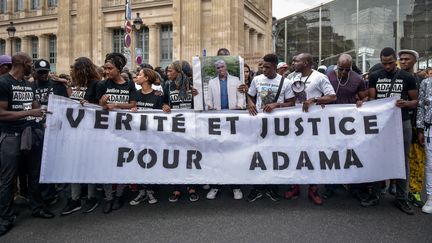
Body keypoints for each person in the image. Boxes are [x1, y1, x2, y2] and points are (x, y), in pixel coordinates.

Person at [0, 53, 55, 236]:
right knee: (8, 179)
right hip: (10, 136)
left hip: (29, 134)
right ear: (23, 64)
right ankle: (6, 218)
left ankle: (37, 207)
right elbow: (2, 113)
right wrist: (31, 111)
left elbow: (34, 105)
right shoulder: (4, 83)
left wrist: (39, 112)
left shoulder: (28, 84)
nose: (33, 66)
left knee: (34, 174)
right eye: (31, 63)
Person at [365, 47, 417, 215]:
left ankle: (402, 198)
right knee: (377, 157)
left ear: (395, 60)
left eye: (390, 63)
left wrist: (406, 104)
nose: (387, 67)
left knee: (402, 160)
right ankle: (375, 194)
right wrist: (365, 102)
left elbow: (416, 101)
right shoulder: (374, 76)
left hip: (402, 122)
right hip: (380, 124)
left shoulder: (407, 77)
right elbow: (373, 99)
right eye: (384, 63)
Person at [284, 53, 336, 206]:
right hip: (294, 123)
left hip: (313, 124)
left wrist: (314, 99)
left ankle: (313, 189)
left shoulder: (319, 77)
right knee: (294, 155)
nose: (293, 62)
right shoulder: (291, 77)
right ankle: (295, 186)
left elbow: (332, 96)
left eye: (296, 60)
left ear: (306, 62)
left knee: (312, 155)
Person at [246, 53, 296, 202]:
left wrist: (277, 104)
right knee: (258, 155)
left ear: (275, 67)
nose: (263, 69)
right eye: (262, 66)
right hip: (259, 124)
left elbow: (292, 103)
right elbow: (250, 96)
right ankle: (257, 187)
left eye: (267, 67)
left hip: (276, 126)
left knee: (273, 156)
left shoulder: (285, 82)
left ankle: (272, 187)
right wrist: (250, 103)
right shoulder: (256, 79)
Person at [96, 52, 137, 213]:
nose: (106, 71)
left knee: (121, 163)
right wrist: (102, 103)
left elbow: (133, 104)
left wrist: (116, 105)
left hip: (124, 131)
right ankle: (108, 197)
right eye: (105, 68)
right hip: (106, 131)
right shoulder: (102, 85)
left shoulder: (129, 85)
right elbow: (98, 105)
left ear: (119, 69)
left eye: (110, 68)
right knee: (107, 164)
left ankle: (119, 195)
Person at [323, 54, 368, 199]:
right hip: (329, 122)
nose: (343, 72)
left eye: (347, 70)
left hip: (348, 123)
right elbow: (320, 94)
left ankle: (354, 186)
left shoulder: (357, 79)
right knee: (331, 153)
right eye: (341, 69)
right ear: (336, 65)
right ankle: (330, 186)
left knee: (350, 154)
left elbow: (365, 96)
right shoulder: (327, 76)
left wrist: (362, 101)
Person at [61, 57, 101, 215]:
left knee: (89, 164)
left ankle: (91, 197)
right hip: (75, 131)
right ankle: (75, 198)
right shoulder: (76, 85)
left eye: (74, 70)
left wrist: (91, 105)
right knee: (74, 164)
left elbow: (102, 108)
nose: (72, 72)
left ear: (82, 70)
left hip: (90, 132)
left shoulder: (96, 85)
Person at [205, 59, 245, 200]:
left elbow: (241, 97)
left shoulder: (236, 80)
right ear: (215, 69)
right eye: (217, 67)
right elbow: (208, 99)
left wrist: (239, 107)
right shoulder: (211, 82)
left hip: (233, 120)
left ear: (226, 67)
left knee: (234, 153)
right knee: (217, 153)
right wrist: (209, 105)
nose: (220, 69)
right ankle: (216, 186)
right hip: (218, 121)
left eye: (222, 66)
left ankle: (236, 187)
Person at [163, 60, 200, 202]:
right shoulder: (167, 85)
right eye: (167, 71)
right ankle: (177, 188)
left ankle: (192, 186)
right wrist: (165, 106)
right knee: (176, 158)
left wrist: (198, 96)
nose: (167, 73)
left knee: (190, 158)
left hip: (191, 128)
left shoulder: (193, 85)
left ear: (179, 72)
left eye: (170, 71)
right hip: (174, 128)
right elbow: (165, 102)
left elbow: (202, 104)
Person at [398, 49, 425, 208]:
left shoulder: (421, 80)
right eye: (401, 59)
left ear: (414, 61)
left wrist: (420, 128)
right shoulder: (396, 77)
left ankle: (414, 191)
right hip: (399, 123)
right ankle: (397, 186)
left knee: (415, 159)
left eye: (407, 59)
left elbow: (422, 104)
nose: (403, 61)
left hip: (415, 123)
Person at [416, 74, 432, 214]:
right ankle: (430, 197)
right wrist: (420, 128)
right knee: (430, 164)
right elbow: (421, 106)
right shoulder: (426, 83)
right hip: (429, 128)